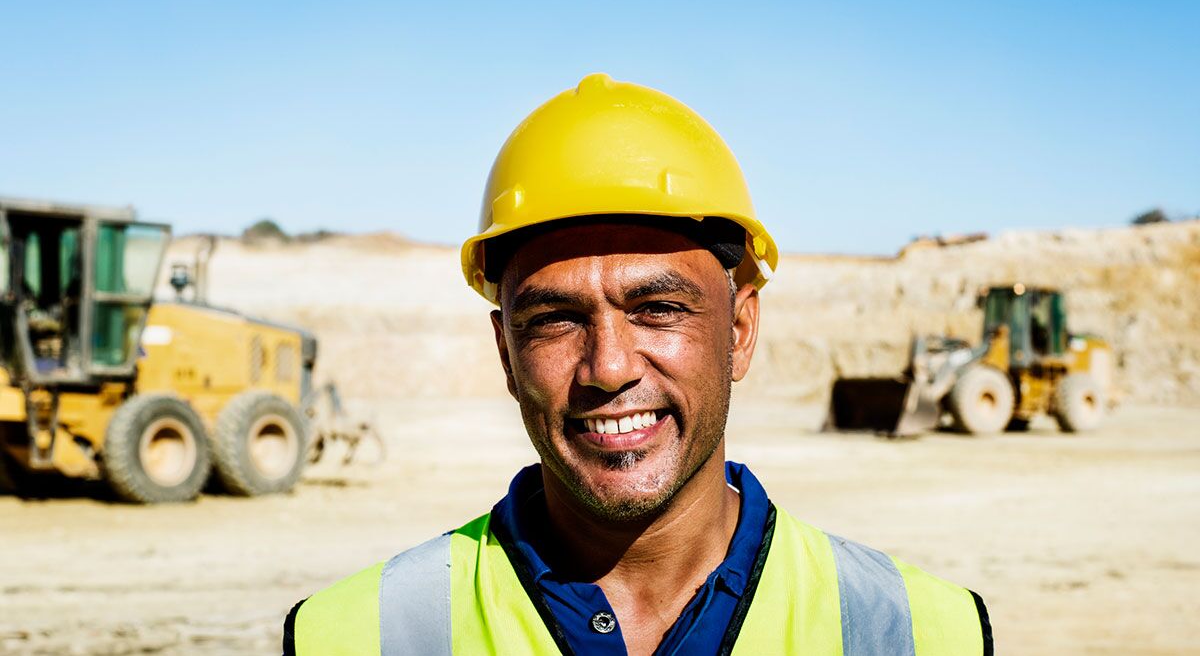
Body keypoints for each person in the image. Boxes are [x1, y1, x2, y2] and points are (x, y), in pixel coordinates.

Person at [283, 73, 993, 655]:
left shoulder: (918, 632)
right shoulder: (358, 636)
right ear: (506, 353)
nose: (608, 367)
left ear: (740, 331)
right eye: (555, 319)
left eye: (657, 308)